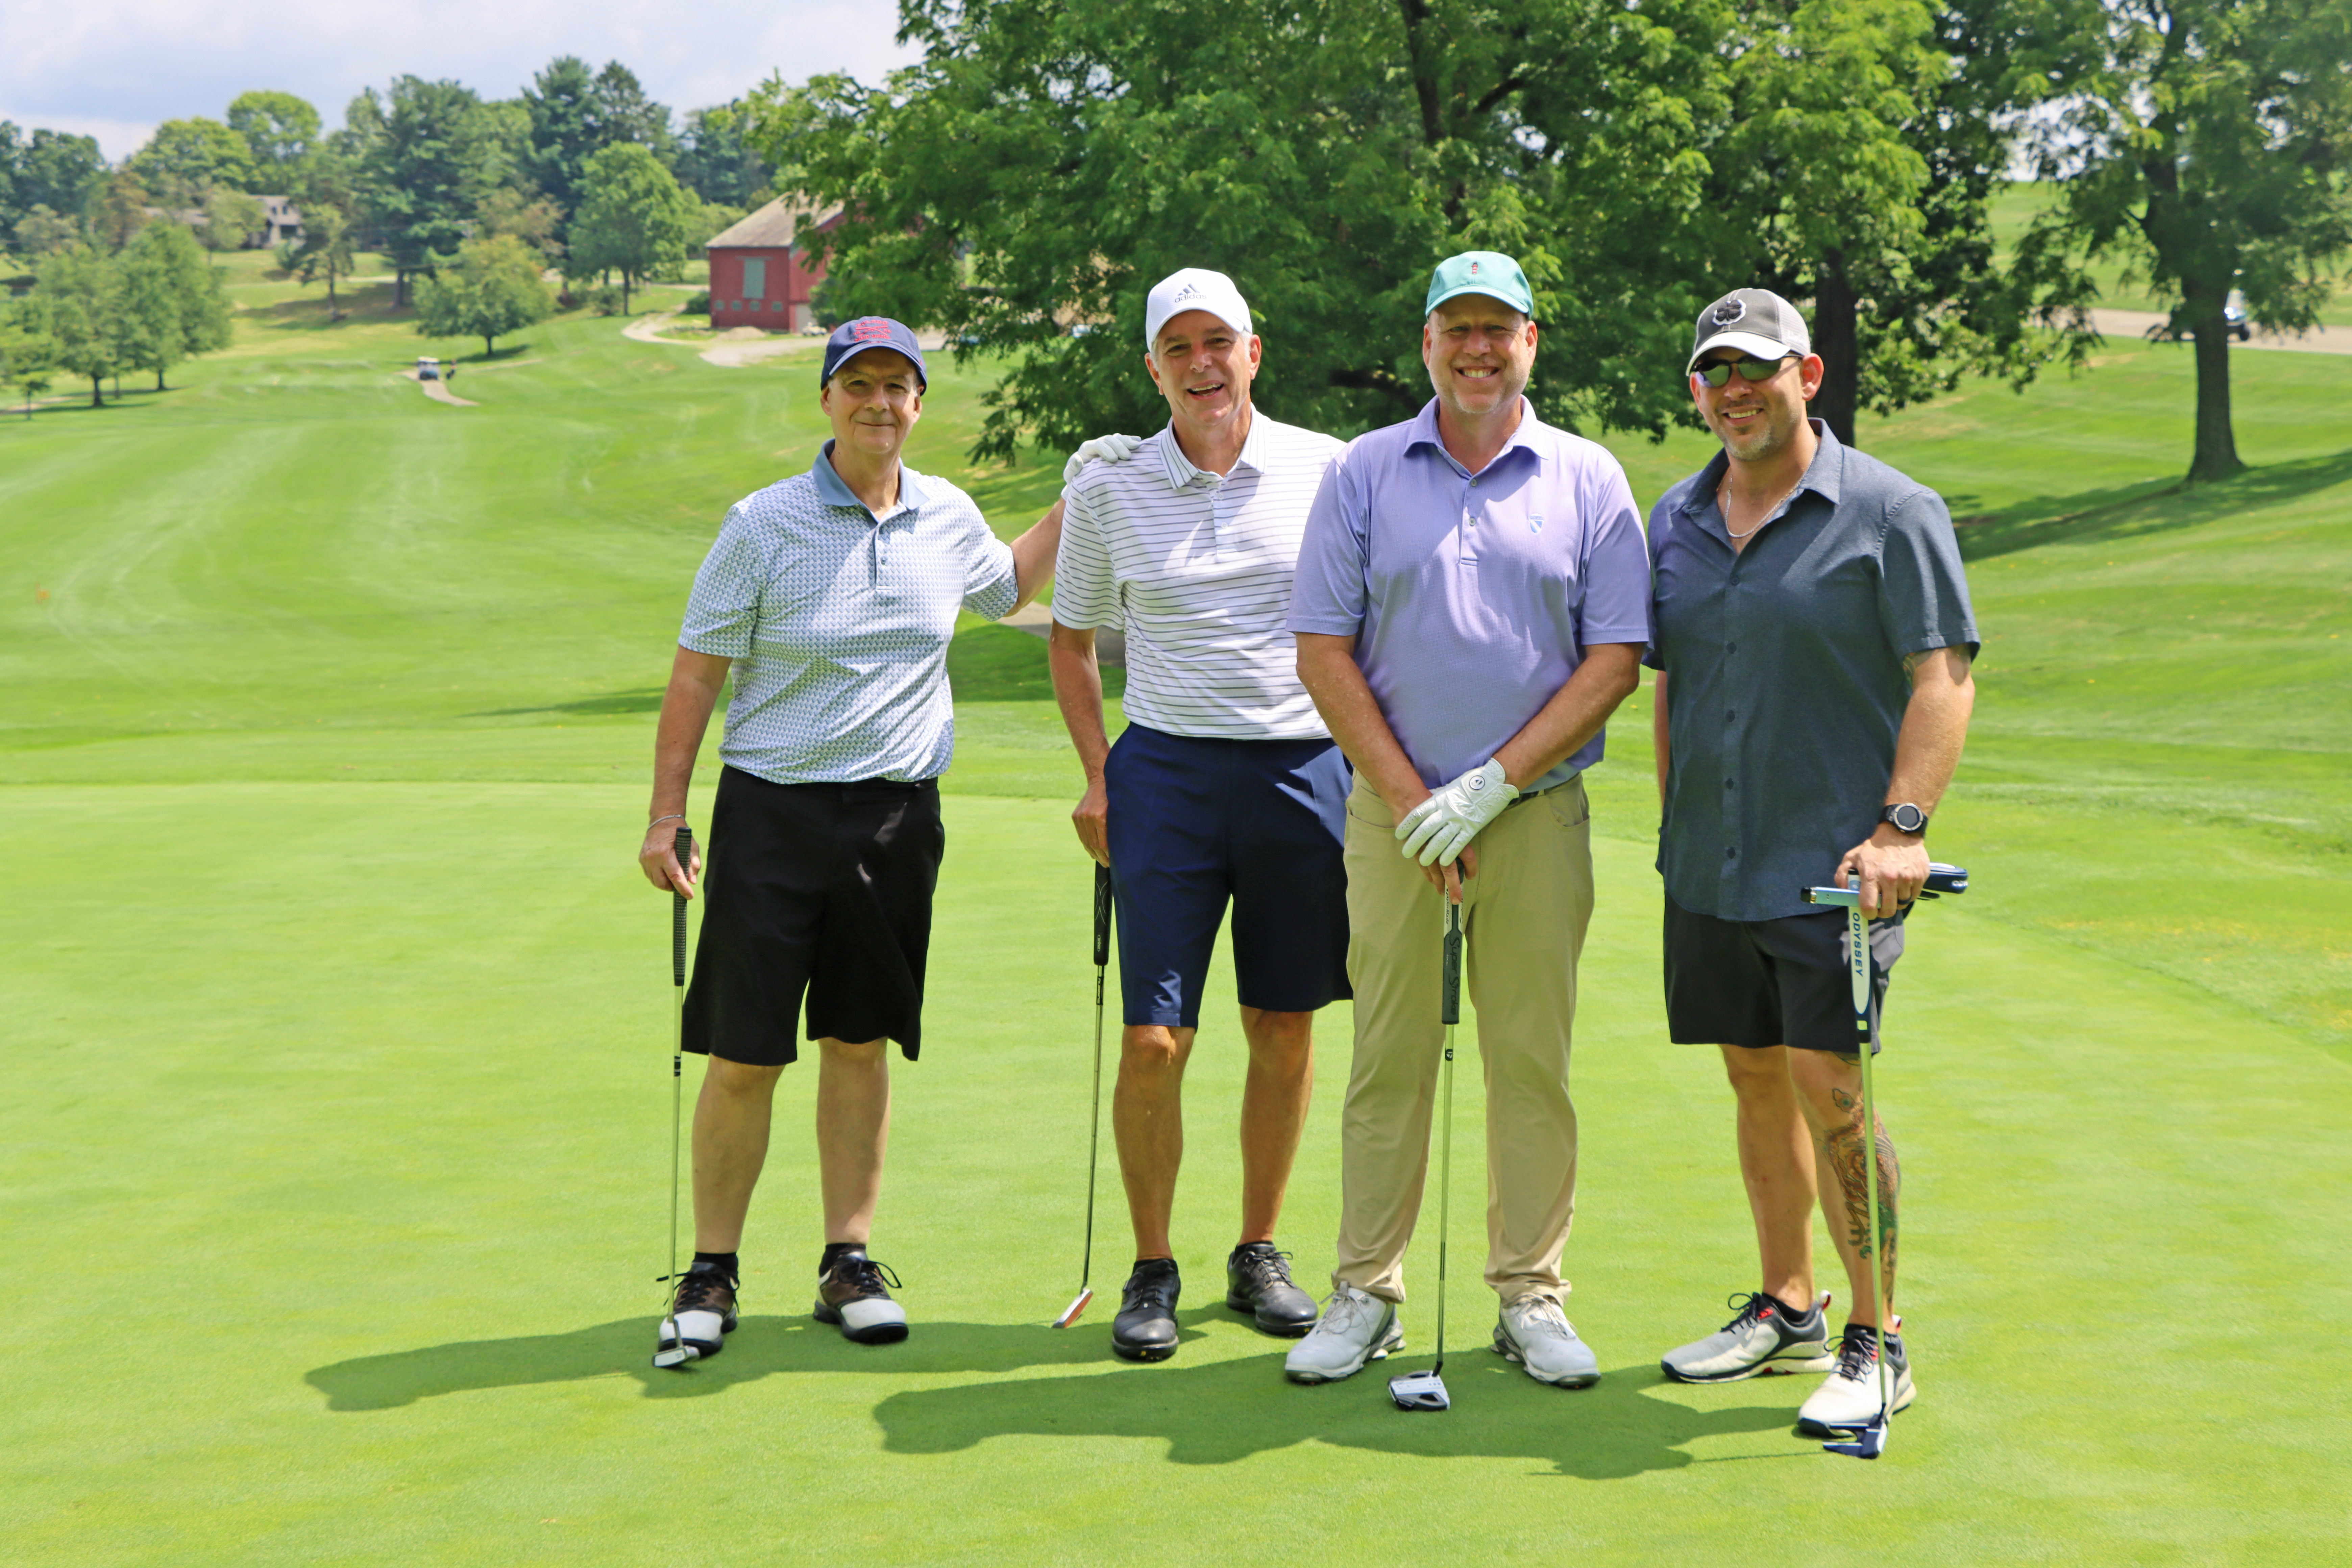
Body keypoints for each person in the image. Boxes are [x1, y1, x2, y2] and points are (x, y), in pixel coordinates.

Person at [636, 316, 1064, 1361]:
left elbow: (1007, 589)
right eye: (859, 385)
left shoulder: (946, 514)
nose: (880, 404)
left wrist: (1077, 499)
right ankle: (712, 1269)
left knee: (861, 1041)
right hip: (773, 812)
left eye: (898, 388)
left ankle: (849, 1262)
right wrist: (666, 812)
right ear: (828, 399)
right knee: (744, 1051)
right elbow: (698, 672)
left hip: (895, 818)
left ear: (920, 403)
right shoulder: (763, 522)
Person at [1281, 252, 1651, 1388]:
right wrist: (1412, 800)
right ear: (1427, 341)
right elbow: (1320, 649)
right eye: (1458, 329)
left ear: (1532, 341)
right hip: (1391, 818)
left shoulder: (1589, 478)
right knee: (1385, 1057)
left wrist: (1488, 784)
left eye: (1500, 329)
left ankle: (1531, 1294)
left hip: (1533, 815)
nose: (1478, 349)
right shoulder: (1364, 471)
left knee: (1529, 1062)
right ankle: (1364, 1291)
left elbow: (1616, 659)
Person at [1645, 288, 1977, 1435]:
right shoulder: (1676, 520)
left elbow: (1945, 678)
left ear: (1810, 374)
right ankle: (1789, 1303)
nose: (1736, 390)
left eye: (1758, 368)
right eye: (1715, 372)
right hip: (1710, 862)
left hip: (1835, 868)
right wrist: (1672, 818)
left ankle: (1879, 1340)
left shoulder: (1892, 510)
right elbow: (1675, 684)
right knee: (1751, 1071)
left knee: (1832, 1091)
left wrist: (1903, 828)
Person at [1047, 268, 1349, 1362]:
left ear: (1253, 351)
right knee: (1152, 1040)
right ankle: (1153, 1264)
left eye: (1217, 341)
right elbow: (1071, 640)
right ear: (1153, 369)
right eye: (1177, 349)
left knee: (1283, 1025)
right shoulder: (1114, 487)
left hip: (1301, 770)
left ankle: (1259, 1247)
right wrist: (1098, 773)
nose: (1201, 364)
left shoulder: (1328, 467)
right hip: (1166, 778)